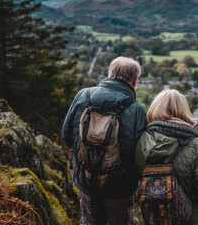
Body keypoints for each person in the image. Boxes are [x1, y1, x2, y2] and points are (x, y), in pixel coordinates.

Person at [62, 57, 147, 225]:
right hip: (119, 188)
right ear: (134, 81)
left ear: (109, 74)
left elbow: (66, 136)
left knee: (90, 221)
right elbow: (140, 155)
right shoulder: (137, 109)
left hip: (86, 179)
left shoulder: (83, 95)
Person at [135, 89, 198, 225]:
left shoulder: (142, 140)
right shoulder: (194, 144)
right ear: (183, 110)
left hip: (155, 217)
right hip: (190, 219)